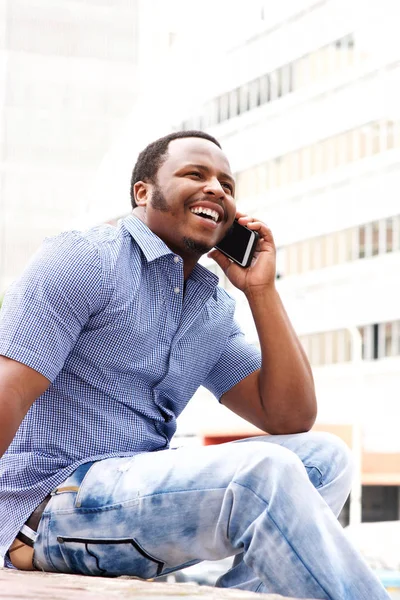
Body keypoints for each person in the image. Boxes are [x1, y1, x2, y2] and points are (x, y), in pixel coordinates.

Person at [0, 130, 389, 599]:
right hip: (51, 503)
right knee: (262, 470)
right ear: (142, 192)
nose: (216, 190)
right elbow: (9, 390)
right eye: (195, 174)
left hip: (135, 495)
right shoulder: (86, 258)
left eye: (227, 185)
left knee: (325, 459)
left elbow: (289, 416)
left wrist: (261, 291)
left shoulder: (208, 307)